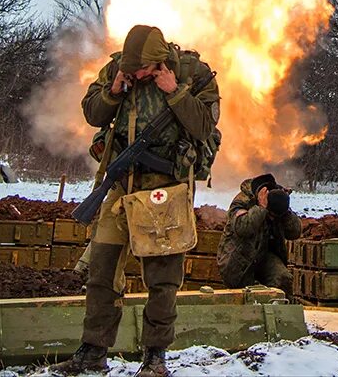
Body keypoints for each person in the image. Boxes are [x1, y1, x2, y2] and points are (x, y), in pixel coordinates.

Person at [50, 24, 220, 377]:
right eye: (132, 69)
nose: (136, 75)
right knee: (101, 271)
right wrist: (113, 92)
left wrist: (174, 93)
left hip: (165, 191)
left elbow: (205, 127)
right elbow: (93, 113)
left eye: (142, 70)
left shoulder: (194, 75)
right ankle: (93, 351)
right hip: (121, 188)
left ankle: (154, 356)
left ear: (160, 63)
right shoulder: (117, 71)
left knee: (162, 279)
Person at [216, 173, 301, 298]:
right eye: (271, 215)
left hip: (265, 256)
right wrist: (261, 208)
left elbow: (295, 232)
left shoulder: (276, 198)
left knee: (282, 279)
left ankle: (278, 314)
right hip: (239, 260)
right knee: (247, 296)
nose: (272, 218)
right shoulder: (242, 201)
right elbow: (242, 228)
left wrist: (286, 211)